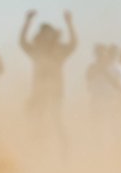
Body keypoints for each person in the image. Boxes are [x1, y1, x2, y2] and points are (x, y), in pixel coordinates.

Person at [18, 10, 77, 144]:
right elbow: (22, 42)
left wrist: (70, 23)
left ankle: (64, 147)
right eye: (44, 34)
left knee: (56, 120)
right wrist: (27, 22)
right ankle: (39, 146)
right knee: (37, 119)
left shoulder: (60, 51)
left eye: (49, 34)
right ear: (40, 36)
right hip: (39, 92)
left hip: (55, 91)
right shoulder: (36, 51)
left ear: (53, 36)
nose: (46, 37)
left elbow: (73, 44)